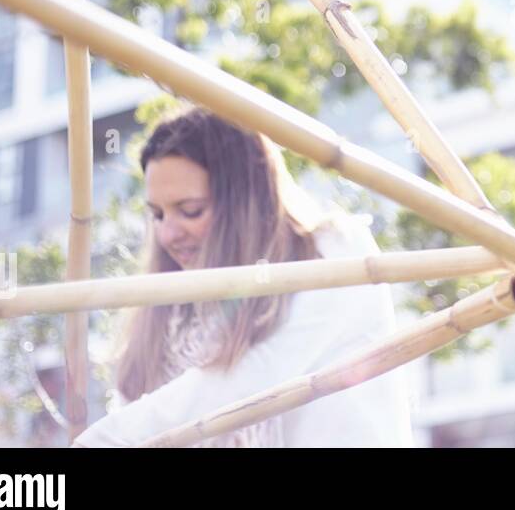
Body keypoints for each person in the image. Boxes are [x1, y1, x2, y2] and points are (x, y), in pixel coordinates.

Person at [75, 106, 413, 447]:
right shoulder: (177, 314)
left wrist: (104, 439)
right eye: (158, 215)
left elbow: (249, 381)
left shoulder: (334, 254)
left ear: (244, 201)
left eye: (190, 210)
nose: (168, 234)